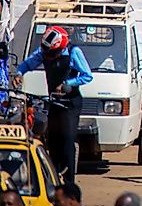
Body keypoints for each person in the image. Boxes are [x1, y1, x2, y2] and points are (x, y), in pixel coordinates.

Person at [13, 27, 93, 182]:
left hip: (70, 104)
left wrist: (67, 84)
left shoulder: (73, 52)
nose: (48, 57)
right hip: (53, 102)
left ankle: (68, 182)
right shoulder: (44, 52)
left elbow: (87, 76)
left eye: (52, 54)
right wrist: (19, 74)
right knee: (53, 141)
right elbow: (27, 64)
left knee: (67, 141)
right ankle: (53, 179)